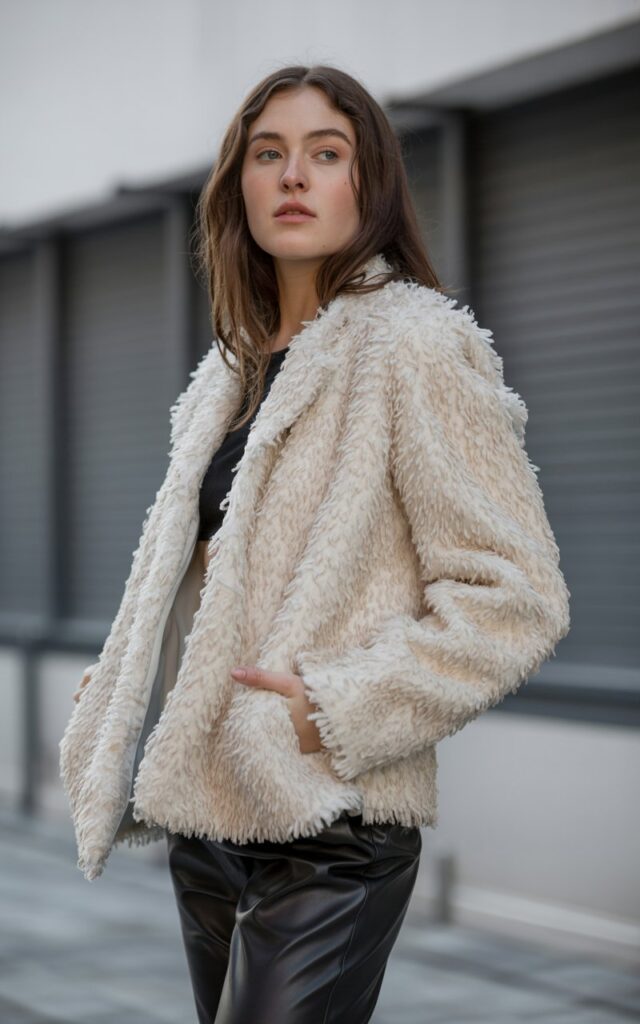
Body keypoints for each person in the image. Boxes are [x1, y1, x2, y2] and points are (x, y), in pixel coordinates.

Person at [62, 64, 570, 1024]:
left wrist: (338, 710)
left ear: (365, 185)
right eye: (269, 154)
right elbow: (206, 581)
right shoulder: (229, 378)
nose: (294, 175)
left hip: (330, 819)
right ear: (240, 187)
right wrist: (136, 678)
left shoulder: (414, 344)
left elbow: (516, 595)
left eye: (325, 154)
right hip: (207, 815)